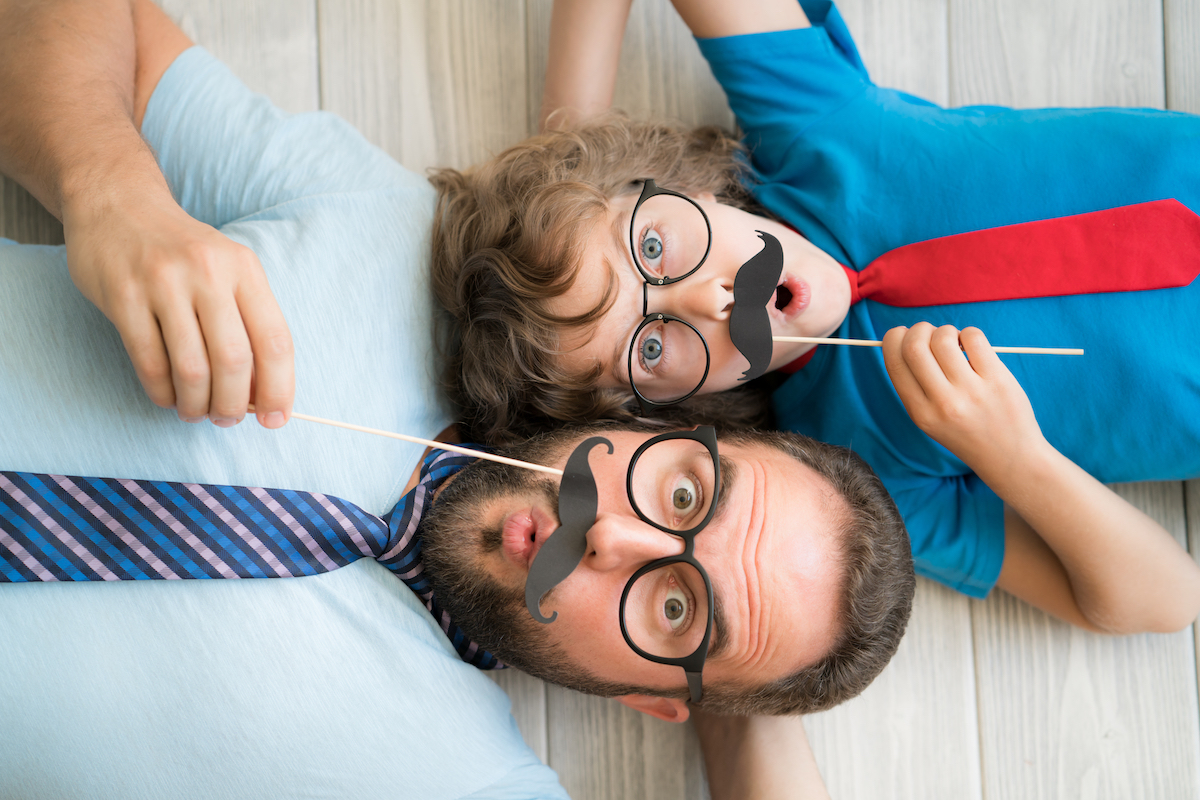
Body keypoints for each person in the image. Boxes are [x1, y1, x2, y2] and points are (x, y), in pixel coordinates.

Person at [0, 1, 912, 796]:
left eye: (675, 607)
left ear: (655, 699)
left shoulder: (460, 781)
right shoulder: (382, 229)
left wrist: (746, 683)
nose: (609, 538)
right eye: (685, 493)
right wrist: (109, 186)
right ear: (659, 424)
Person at [429, 0, 1200, 635]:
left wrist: (569, 148)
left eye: (654, 243)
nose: (709, 298)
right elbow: (1164, 600)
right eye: (652, 343)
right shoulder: (856, 466)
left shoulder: (810, 127)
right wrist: (1016, 456)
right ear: (660, 412)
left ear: (669, 183)